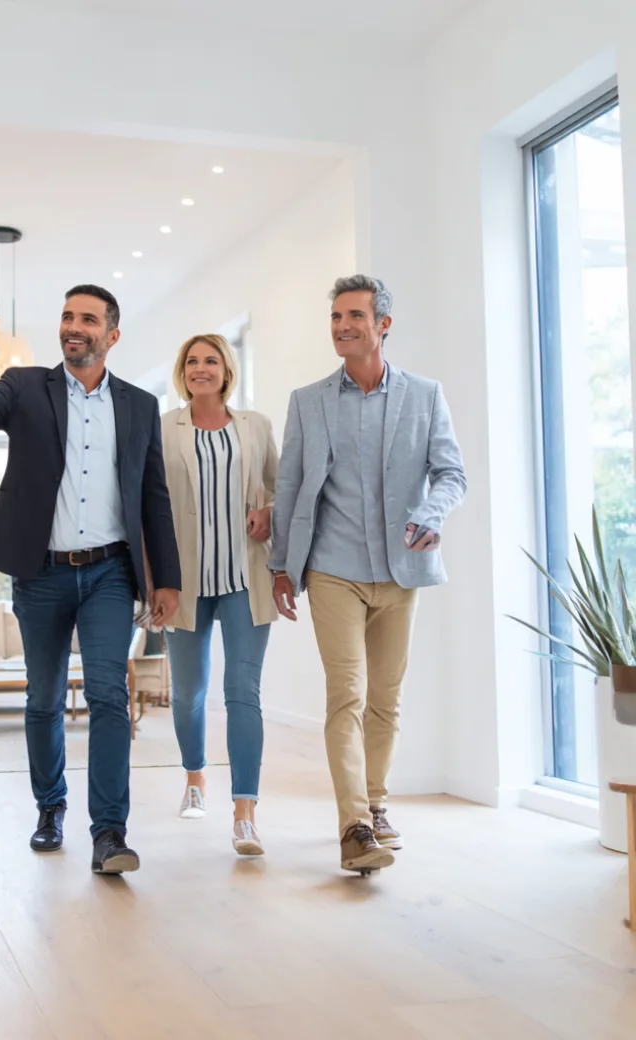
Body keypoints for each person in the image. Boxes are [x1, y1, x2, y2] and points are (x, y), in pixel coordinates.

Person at [0, 285, 180, 875]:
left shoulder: (137, 405)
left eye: (87, 318)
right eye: (66, 316)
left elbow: (153, 495)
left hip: (110, 571)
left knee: (109, 695)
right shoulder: (27, 385)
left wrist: (167, 579)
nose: (73, 327)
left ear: (112, 334)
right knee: (43, 699)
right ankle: (49, 809)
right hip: (42, 574)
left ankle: (109, 831)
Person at [269, 275, 466, 874]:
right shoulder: (309, 400)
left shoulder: (425, 395)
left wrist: (431, 515)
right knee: (347, 696)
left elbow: (451, 472)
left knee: (386, 699)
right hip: (333, 567)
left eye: (354, 315)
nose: (342, 326)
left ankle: (377, 805)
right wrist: (282, 562)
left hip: (400, 569)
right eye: (335, 317)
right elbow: (290, 485)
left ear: (383, 324)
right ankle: (353, 826)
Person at [160, 334, 279, 856]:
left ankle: (245, 813)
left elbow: (278, 488)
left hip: (244, 579)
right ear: (182, 372)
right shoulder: (164, 428)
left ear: (226, 369)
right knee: (188, 693)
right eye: (192, 362)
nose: (201, 369)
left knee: (243, 693)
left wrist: (269, 512)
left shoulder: (255, 427)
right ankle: (194, 776)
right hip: (184, 581)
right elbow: (151, 502)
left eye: (211, 360)